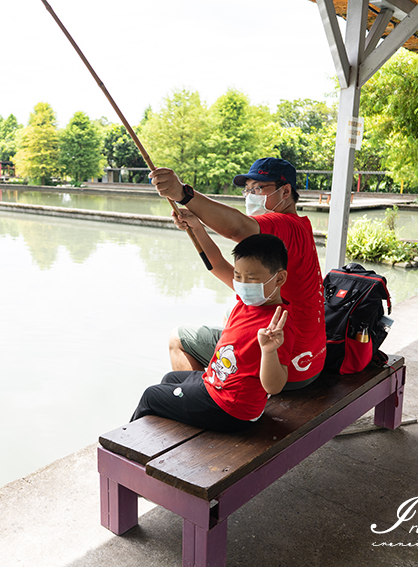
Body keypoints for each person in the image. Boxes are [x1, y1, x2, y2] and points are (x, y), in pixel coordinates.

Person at [152, 157, 326, 389]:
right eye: (248, 190)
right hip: (310, 362)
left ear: (285, 192)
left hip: (285, 372)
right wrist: (197, 228)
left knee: (178, 338)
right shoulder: (298, 229)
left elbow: (238, 227)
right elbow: (220, 268)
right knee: (231, 313)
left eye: (258, 188)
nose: (251, 195)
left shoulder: (284, 224)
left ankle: (208, 398)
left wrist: (183, 194)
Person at [131, 232, 291, 432]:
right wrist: (194, 227)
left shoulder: (277, 327)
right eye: (238, 277)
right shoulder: (248, 301)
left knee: (150, 396)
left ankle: (122, 449)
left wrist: (268, 351)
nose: (242, 284)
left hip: (230, 408)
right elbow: (216, 262)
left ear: (279, 278)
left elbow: (274, 388)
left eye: (250, 278)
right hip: (216, 385)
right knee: (170, 379)